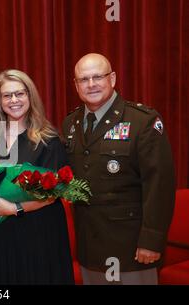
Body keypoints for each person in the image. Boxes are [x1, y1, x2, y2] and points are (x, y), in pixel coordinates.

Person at [62, 53, 175, 284]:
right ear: (76, 85)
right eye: (84, 79)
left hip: (131, 248)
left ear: (112, 78)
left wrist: (151, 241)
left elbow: (159, 185)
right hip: (89, 247)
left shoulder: (142, 121)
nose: (91, 84)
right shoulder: (70, 123)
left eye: (97, 77)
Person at [0, 69, 74, 284]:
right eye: (7, 95)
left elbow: (54, 193)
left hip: (39, 233)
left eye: (20, 93)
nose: (14, 100)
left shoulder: (49, 140)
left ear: (30, 97)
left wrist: (15, 209)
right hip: (0, 231)